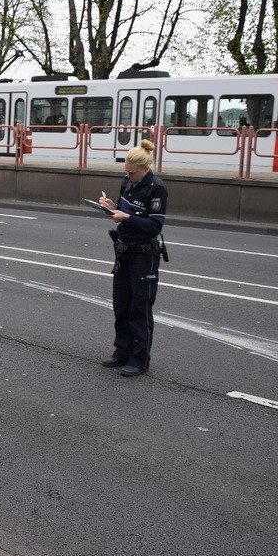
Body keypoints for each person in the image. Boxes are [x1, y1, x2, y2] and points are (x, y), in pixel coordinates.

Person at [98, 139, 168, 377]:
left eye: (134, 173)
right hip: (124, 250)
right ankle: (122, 352)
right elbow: (125, 209)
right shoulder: (127, 182)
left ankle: (139, 360)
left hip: (144, 255)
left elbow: (154, 225)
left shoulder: (157, 188)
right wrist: (112, 207)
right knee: (121, 305)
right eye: (127, 172)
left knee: (140, 308)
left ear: (145, 168)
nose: (130, 176)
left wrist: (126, 218)